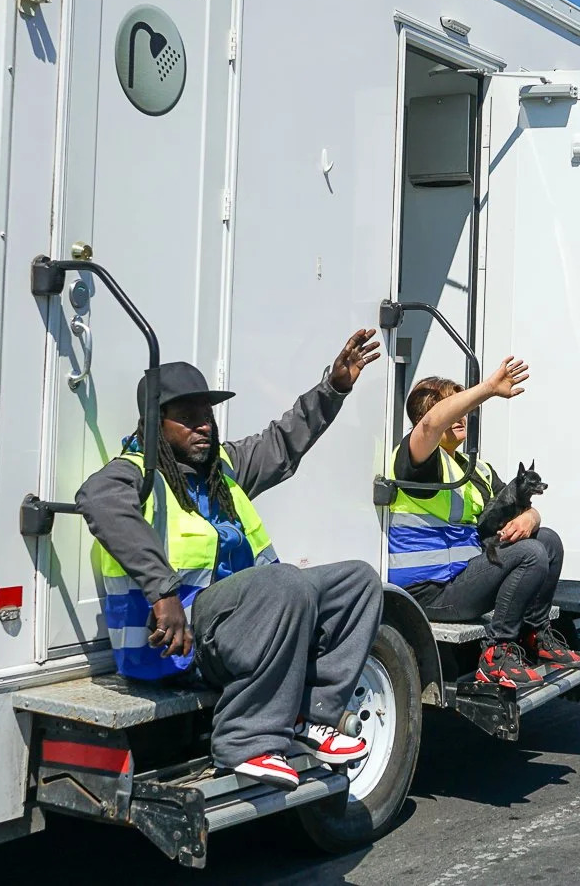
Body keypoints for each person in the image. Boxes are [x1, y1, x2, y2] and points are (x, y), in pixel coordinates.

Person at [74, 331, 384, 791]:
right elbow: (95, 499)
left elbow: (282, 443)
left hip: (241, 627)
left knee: (358, 582)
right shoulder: (136, 472)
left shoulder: (224, 468)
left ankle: (311, 715)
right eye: (187, 418)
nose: (203, 425)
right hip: (178, 645)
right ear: (155, 424)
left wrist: (333, 389)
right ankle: (246, 739)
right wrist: (164, 592)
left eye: (207, 415)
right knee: (285, 581)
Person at [389, 361, 580, 689]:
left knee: (548, 540)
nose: (463, 414)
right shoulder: (417, 461)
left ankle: (534, 636)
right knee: (531, 554)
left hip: (462, 578)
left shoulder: (474, 468)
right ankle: (496, 654)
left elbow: (519, 507)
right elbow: (427, 429)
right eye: (456, 406)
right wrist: (487, 390)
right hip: (427, 593)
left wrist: (530, 517)